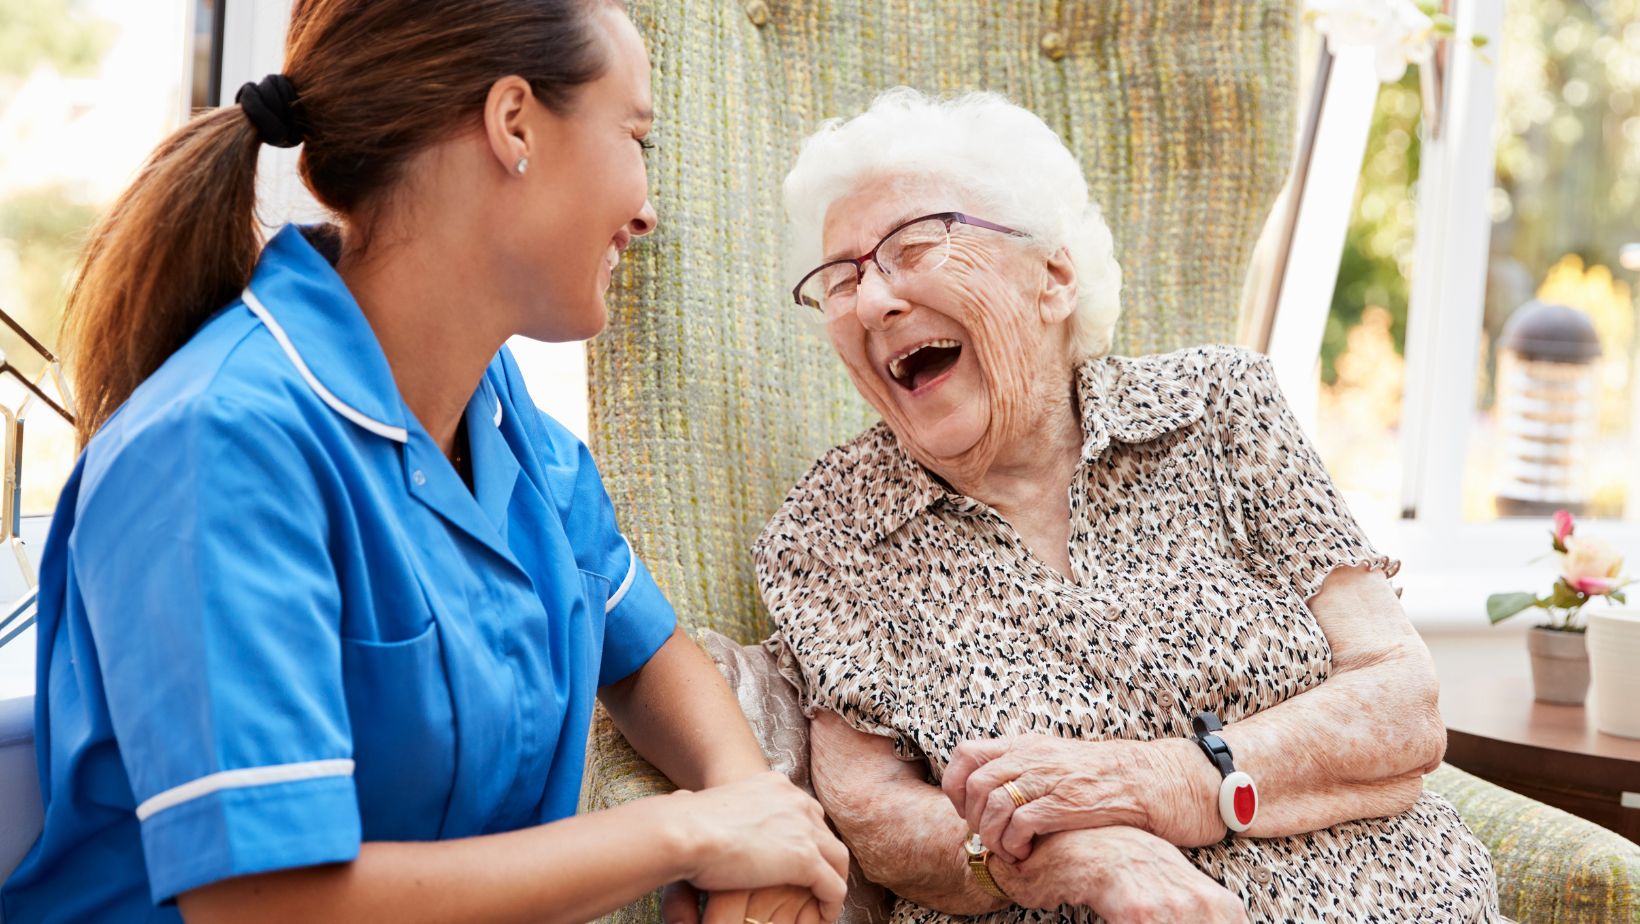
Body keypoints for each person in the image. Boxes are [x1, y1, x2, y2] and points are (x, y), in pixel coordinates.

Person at [0, 2, 846, 922]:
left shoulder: (497, 410)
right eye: (635, 136)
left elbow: (643, 655)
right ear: (513, 123)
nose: (647, 208)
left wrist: (754, 821)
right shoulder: (217, 446)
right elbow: (265, 905)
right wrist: (691, 835)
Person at [757, 89, 1501, 923]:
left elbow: (1402, 702)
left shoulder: (1219, 405)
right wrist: (1076, 859)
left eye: (914, 246)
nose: (870, 303)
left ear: (1054, 276)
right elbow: (873, 814)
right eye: (841, 279)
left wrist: (1167, 783)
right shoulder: (830, 528)